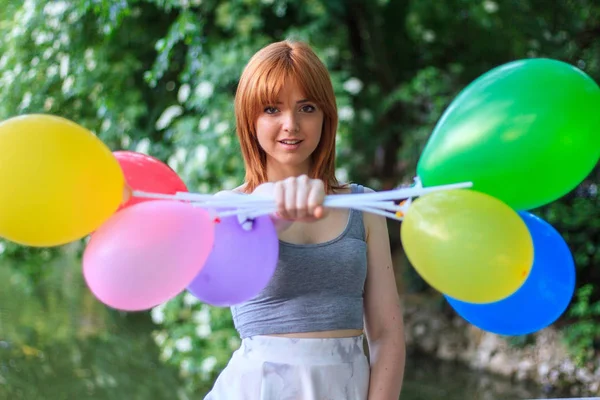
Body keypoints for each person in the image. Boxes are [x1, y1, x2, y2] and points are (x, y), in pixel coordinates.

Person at [204, 39, 405, 400]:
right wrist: (272, 218)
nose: (291, 125)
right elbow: (222, 280)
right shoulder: (229, 209)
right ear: (250, 119)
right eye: (271, 109)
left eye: (307, 108)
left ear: (326, 116)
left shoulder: (365, 206)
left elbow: (387, 336)